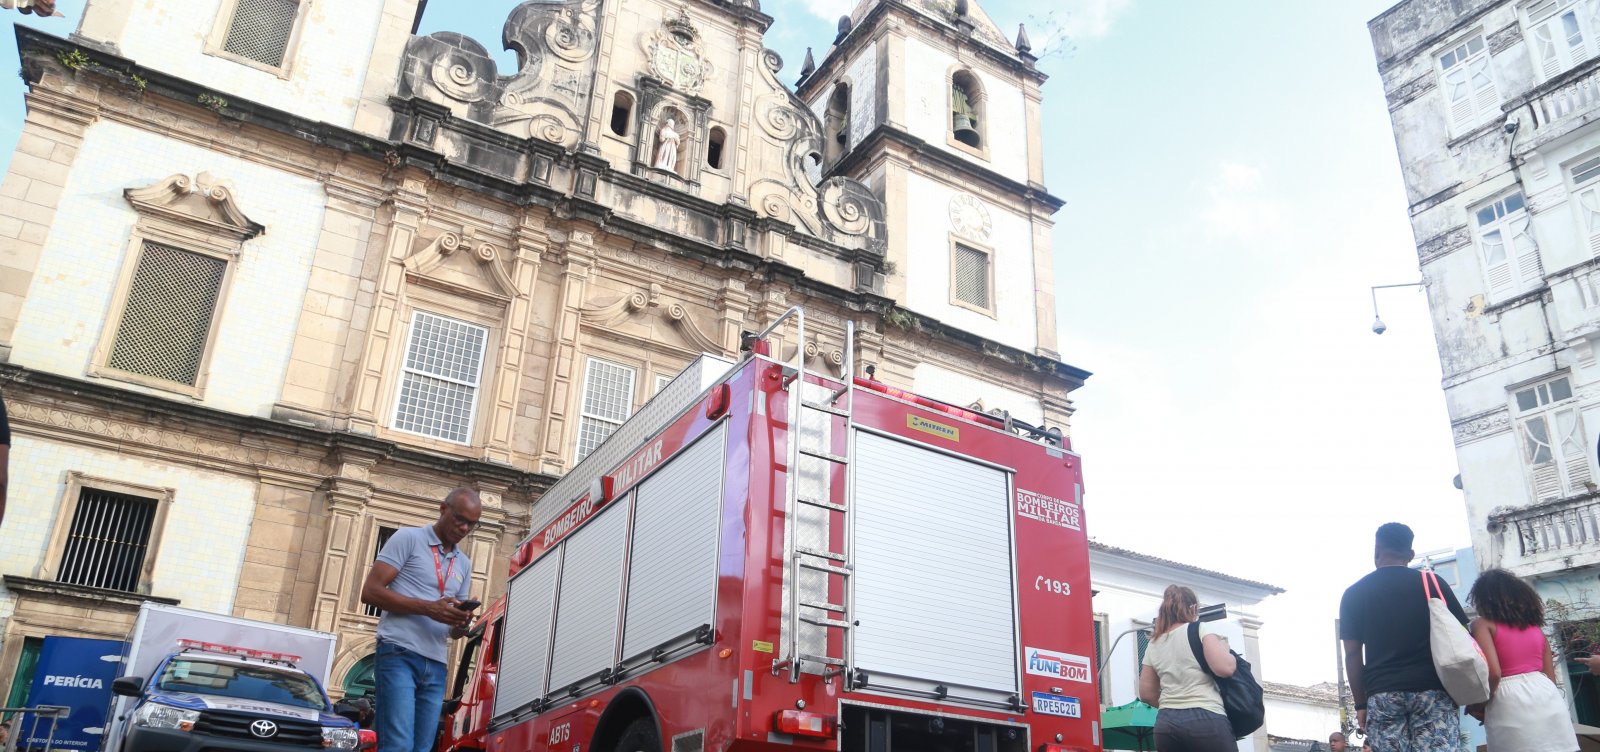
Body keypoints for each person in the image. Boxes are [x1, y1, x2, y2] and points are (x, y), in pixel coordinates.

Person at [360, 488, 480, 752]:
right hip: (398, 653)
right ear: (442, 508)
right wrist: (428, 608)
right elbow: (370, 592)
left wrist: (460, 622)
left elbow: (453, 631)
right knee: (398, 745)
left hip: (436, 663)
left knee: (422, 749)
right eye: (459, 519)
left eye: (471, 524)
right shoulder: (408, 538)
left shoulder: (464, 563)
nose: (464, 528)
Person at [1339, 522, 1468, 751]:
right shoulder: (1433, 583)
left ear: (1376, 551)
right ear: (1410, 554)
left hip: (1383, 694)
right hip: (1433, 690)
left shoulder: (1354, 594)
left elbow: (1352, 654)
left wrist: (1360, 703)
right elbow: (1462, 637)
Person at [1464, 569, 1577, 751]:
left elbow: (1494, 674)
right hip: (1547, 696)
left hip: (1509, 700)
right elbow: (1550, 678)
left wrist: (1478, 705)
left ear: (1484, 598)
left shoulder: (1482, 624)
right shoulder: (1536, 629)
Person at [1137, 584, 1237, 752]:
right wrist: (1227, 652)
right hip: (1205, 718)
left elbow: (1147, 694)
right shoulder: (1199, 629)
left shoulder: (1154, 643)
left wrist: (1174, 706)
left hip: (1166, 724)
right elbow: (1224, 668)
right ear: (1193, 608)